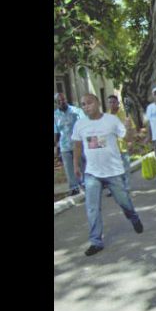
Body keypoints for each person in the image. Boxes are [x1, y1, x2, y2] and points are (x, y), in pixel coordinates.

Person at [72, 94, 143, 256]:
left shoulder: (111, 120)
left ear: (97, 102)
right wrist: (76, 165)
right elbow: (76, 146)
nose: (86, 106)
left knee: (124, 202)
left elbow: (128, 138)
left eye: (89, 103)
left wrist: (129, 127)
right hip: (92, 172)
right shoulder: (80, 125)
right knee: (92, 208)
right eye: (83, 104)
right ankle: (96, 241)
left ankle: (134, 218)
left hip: (113, 171)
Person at [54, 93, 86, 195]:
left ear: (66, 99)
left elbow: (84, 125)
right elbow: (56, 132)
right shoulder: (55, 115)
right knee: (69, 167)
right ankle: (74, 187)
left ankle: (86, 183)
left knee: (82, 164)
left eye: (63, 100)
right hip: (64, 145)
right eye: (58, 101)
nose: (61, 102)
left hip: (78, 144)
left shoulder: (76, 111)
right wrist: (56, 147)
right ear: (56, 103)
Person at [106, 95, 135, 192]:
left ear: (118, 103)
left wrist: (131, 141)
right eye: (110, 102)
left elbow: (132, 128)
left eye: (114, 102)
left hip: (123, 145)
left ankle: (126, 186)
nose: (112, 104)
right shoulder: (106, 116)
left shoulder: (125, 114)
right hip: (112, 147)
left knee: (125, 168)